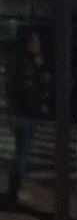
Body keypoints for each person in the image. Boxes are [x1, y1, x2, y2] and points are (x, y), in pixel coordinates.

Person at [8, 29, 51, 203]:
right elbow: (32, 90)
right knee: (22, 154)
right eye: (36, 42)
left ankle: (14, 188)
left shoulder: (16, 60)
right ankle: (15, 190)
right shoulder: (29, 64)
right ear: (29, 44)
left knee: (19, 152)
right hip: (25, 115)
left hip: (16, 113)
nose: (38, 45)